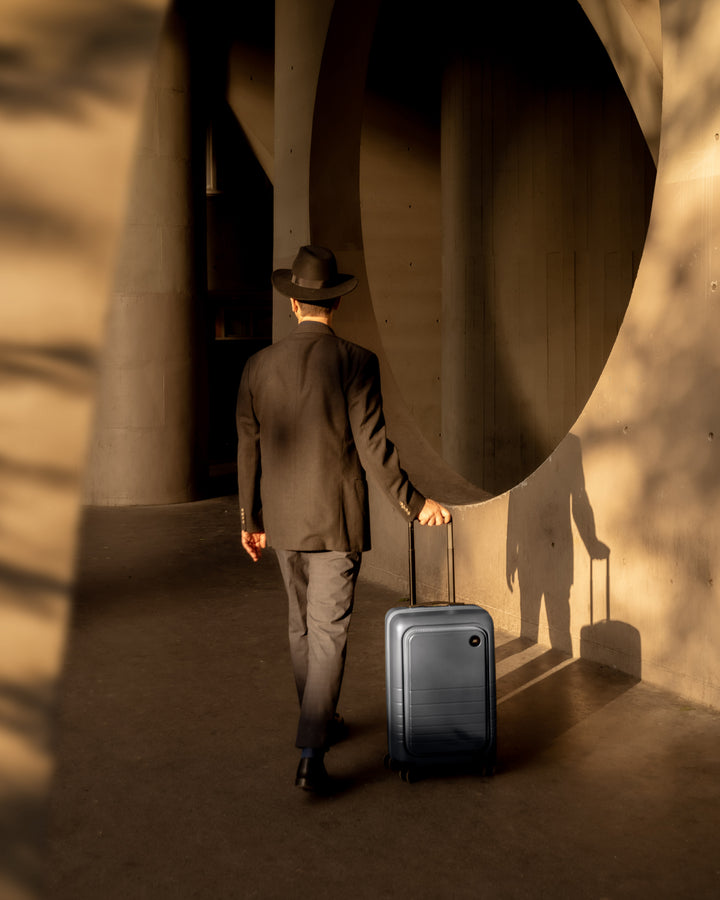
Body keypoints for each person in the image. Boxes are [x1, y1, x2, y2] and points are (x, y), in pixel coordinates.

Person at [236, 245, 450, 793]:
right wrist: (413, 502)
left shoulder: (257, 366)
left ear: (293, 304)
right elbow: (373, 446)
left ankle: (322, 719)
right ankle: (312, 749)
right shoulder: (357, 361)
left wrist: (249, 519)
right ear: (334, 302)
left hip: (281, 520)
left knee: (301, 625)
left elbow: (248, 448)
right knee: (329, 631)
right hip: (336, 519)